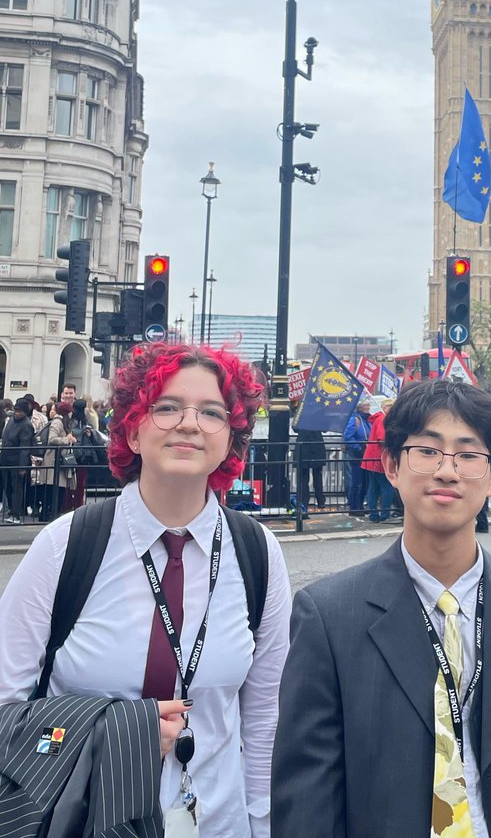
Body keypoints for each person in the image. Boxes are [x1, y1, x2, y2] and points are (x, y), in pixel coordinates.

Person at [0, 342, 293, 837]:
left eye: (212, 412)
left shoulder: (258, 553)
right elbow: (7, 711)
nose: (189, 423)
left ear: (230, 438)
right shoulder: (65, 546)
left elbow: (264, 720)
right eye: (167, 407)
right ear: (133, 429)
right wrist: (116, 733)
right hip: (80, 820)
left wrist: (264, 827)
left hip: (218, 824)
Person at [272, 378, 491, 838]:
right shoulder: (330, 615)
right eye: (428, 451)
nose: (447, 471)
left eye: (468, 455)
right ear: (392, 466)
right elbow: (307, 794)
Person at [361, 398, 395, 522]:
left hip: (372, 458)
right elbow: (382, 438)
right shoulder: (383, 419)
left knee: (373, 488)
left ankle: (374, 515)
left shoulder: (377, 418)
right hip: (380, 458)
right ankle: (385, 514)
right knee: (387, 487)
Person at [0, 398, 31, 524]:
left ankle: (16, 513)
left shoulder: (27, 425)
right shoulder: (12, 420)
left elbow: (25, 447)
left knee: (16, 488)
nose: (17, 413)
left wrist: (22, 466)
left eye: (20, 411)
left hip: (17, 461)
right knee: (7, 487)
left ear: (25, 412)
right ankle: (11, 510)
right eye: (16, 410)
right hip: (6, 459)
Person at [292, 403, 327, 516]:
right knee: (318, 475)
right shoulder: (319, 411)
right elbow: (325, 428)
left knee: (303, 478)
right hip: (317, 446)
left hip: (304, 447)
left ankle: (304, 502)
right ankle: (320, 501)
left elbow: (295, 428)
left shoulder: (301, 411)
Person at [342, 397, 371, 515]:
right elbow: (348, 437)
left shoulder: (367, 420)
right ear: (360, 407)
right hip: (357, 454)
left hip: (366, 453)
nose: (368, 408)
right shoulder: (355, 419)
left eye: (368, 406)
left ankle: (359, 504)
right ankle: (354, 507)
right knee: (356, 482)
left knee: (364, 482)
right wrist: (358, 448)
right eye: (366, 406)